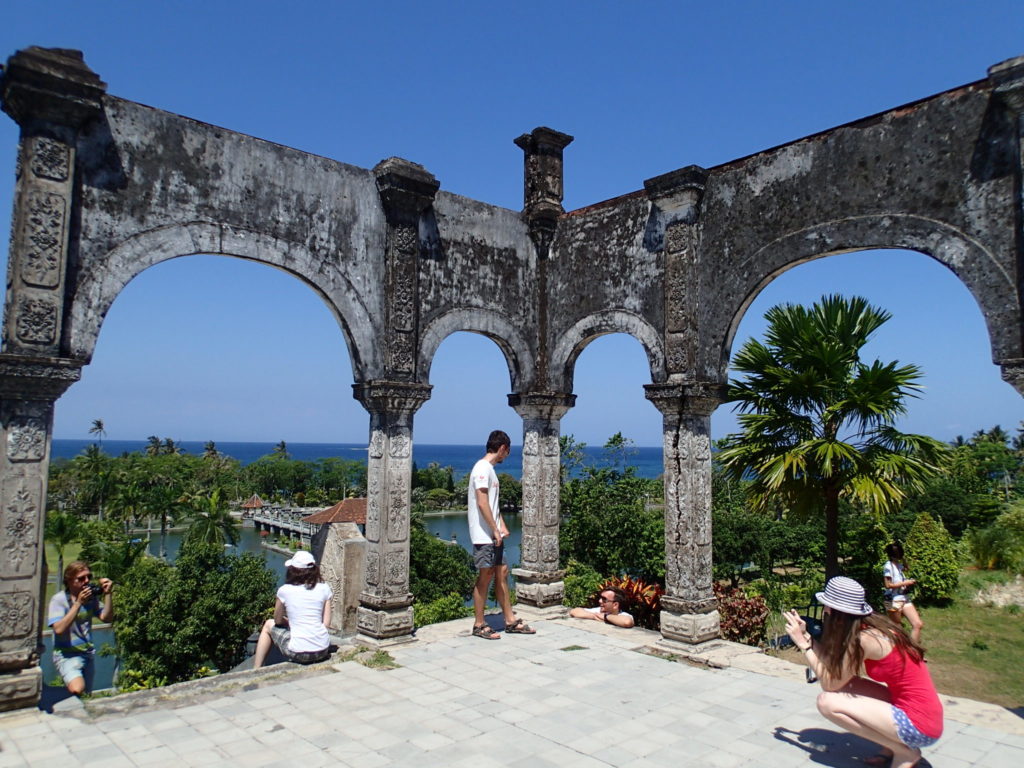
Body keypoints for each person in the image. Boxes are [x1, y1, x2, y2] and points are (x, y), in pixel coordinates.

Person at [783, 576, 942, 768]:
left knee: (826, 702)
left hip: (920, 726)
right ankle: (892, 748)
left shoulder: (864, 639)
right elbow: (836, 676)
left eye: (826, 605)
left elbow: (829, 683)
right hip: (923, 712)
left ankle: (904, 752)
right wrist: (808, 637)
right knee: (848, 685)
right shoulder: (875, 628)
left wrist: (802, 644)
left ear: (835, 611)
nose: (824, 610)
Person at [468, 429, 535, 639]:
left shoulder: (490, 470)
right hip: (484, 535)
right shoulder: (482, 468)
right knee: (485, 576)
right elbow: (481, 502)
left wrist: (502, 525)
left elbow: (493, 505)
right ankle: (479, 624)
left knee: (502, 572)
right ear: (503, 448)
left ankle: (509, 620)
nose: (507, 456)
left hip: (493, 534)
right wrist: (495, 530)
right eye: (508, 452)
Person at [253, 550, 333, 668]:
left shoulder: (284, 590)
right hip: (322, 650)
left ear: (293, 571)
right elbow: (326, 624)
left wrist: (288, 621)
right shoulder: (324, 588)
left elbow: (277, 620)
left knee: (268, 625)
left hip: (298, 652)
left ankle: (256, 668)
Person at [47, 561, 113, 696]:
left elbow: (106, 618)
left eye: (88, 577)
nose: (86, 581)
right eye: (81, 578)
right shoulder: (58, 600)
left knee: (85, 695)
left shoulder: (90, 598)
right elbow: (58, 629)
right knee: (77, 688)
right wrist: (77, 604)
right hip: (66, 655)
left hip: (87, 653)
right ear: (69, 580)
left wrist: (108, 595)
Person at [883, 543, 923, 643]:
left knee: (917, 624)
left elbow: (907, 568)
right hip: (892, 600)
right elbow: (888, 585)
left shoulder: (898, 565)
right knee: (897, 628)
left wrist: (903, 558)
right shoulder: (888, 566)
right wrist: (905, 583)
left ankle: (912, 651)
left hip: (904, 597)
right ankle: (896, 652)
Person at [569, 587, 635, 628]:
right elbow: (574, 611)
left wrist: (605, 617)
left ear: (615, 605)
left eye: (604, 599)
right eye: (600, 598)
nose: (600, 601)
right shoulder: (598, 611)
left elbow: (627, 622)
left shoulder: (623, 615)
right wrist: (595, 616)